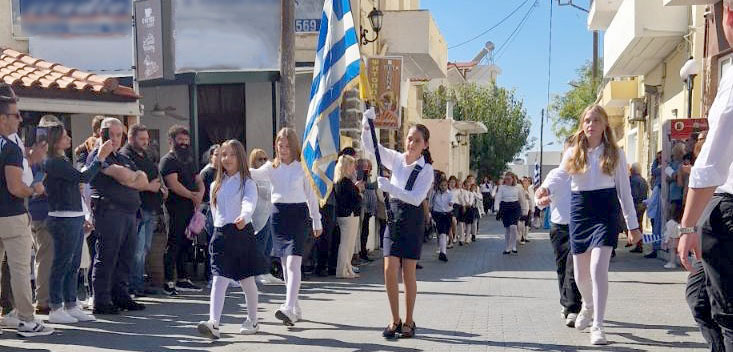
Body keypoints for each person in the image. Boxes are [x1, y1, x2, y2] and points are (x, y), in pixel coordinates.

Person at [545, 104, 641, 345]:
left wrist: (633, 225)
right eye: (587, 120)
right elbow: (559, 176)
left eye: (596, 120)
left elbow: (625, 191)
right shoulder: (573, 152)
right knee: (580, 274)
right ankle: (587, 305)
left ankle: (598, 324)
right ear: (582, 124)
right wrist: (544, 190)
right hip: (580, 211)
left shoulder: (615, 154)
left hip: (605, 210)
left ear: (604, 124)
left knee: (599, 268)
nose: (591, 124)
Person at [678, 3, 733, 348]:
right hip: (717, 207)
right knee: (700, 298)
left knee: (727, 315)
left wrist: (687, 226)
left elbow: (711, 161)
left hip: (726, 209)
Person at [361, 108, 434, 339]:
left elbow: (415, 198)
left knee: (408, 272)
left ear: (425, 145)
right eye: (409, 138)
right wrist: (367, 123)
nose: (411, 143)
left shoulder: (427, 170)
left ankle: (409, 321)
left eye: (417, 140)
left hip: (412, 218)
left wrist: (390, 187)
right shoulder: (397, 159)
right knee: (389, 269)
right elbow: (372, 146)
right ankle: (394, 319)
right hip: (393, 217)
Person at [250, 128, 322, 326]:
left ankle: (288, 307)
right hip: (278, 216)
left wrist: (317, 219)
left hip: (298, 215)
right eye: (280, 146)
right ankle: (295, 306)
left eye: (287, 146)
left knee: (292, 264)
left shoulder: (302, 168)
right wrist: (234, 166)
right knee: (284, 266)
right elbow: (253, 174)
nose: (283, 149)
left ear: (294, 147)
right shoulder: (271, 167)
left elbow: (311, 195)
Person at [197, 140, 267, 339]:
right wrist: (216, 231)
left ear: (241, 158)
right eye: (223, 155)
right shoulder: (214, 185)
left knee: (246, 280)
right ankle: (214, 323)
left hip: (241, 232)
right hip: (221, 235)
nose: (226, 159)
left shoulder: (247, 182)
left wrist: (244, 217)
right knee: (219, 278)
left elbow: (249, 202)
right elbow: (215, 212)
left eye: (231, 154)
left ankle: (253, 320)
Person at [44, 124, 114, 323]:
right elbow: (83, 177)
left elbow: (75, 187)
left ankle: (71, 303)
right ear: (56, 140)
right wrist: (100, 157)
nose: (69, 139)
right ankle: (56, 307)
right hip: (61, 217)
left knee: (73, 263)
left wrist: (82, 215)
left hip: (72, 216)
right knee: (62, 263)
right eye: (65, 136)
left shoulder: (62, 160)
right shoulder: (54, 162)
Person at [0, 85, 54, 336]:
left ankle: (10, 314)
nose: (20, 119)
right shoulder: (9, 148)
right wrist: (34, 190)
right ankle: (25, 318)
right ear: (3, 118)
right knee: (21, 269)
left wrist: (30, 160)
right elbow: (14, 187)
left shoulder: (12, 147)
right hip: (11, 215)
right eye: (16, 115)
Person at [88, 117, 150, 315]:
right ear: (101, 134)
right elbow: (125, 176)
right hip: (109, 212)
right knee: (107, 256)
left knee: (125, 257)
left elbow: (143, 180)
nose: (115, 139)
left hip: (129, 214)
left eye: (118, 134)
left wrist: (130, 177)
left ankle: (120, 295)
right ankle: (102, 300)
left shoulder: (123, 157)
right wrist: (130, 177)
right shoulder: (98, 156)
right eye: (111, 134)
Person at [535, 136, 583, 328]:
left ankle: (573, 308)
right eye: (568, 150)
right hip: (558, 226)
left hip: (579, 227)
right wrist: (541, 200)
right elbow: (539, 196)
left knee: (574, 266)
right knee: (562, 267)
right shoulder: (556, 173)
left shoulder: (584, 175)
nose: (571, 154)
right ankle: (566, 303)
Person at [119, 124, 166, 297]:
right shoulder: (126, 156)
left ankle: (138, 281)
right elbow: (128, 182)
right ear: (131, 138)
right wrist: (149, 187)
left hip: (150, 207)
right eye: (142, 139)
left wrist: (161, 188)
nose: (146, 142)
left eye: (147, 139)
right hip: (137, 209)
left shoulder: (145, 154)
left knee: (144, 248)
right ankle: (133, 285)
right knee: (136, 250)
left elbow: (154, 174)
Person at [160, 125, 205, 295]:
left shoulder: (189, 160)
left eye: (187, 141)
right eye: (181, 140)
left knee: (187, 243)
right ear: (171, 141)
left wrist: (200, 193)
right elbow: (173, 184)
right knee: (174, 243)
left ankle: (183, 279)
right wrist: (193, 196)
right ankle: (168, 281)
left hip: (190, 208)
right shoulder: (167, 160)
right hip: (175, 208)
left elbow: (198, 179)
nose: (184, 144)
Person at [27, 114, 63, 315]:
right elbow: (35, 184)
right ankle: (43, 300)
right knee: (46, 256)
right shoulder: (39, 158)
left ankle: (47, 298)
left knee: (46, 256)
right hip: (42, 212)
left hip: (45, 212)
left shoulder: (41, 157)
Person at [248, 148, 281, 285]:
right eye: (259, 159)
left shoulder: (269, 175)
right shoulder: (252, 175)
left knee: (268, 245)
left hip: (269, 213)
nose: (263, 161)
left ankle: (266, 271)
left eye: (264, 158)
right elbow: (265, 194)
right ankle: (257, 273)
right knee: (259, 244)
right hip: (257, 214)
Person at [334, 155, 362, 279]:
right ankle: (342, 270)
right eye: (351, 166)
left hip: (347, 214)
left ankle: (347, 268)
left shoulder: (342, 181)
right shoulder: (345, 182)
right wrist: (358, 191)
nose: (353, 169)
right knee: (346, 244)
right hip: (348, 215)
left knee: (348, 244)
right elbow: (354, 198)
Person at [198, 144, 219, 287]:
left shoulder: (224, 172)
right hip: (208, 210)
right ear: (211, 156)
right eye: (217, 154)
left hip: (221, 210)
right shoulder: (206, 172)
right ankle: (210, 275)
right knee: (212, 242)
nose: (220, 157)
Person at [494, 172, 523, 254]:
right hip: (505, 207)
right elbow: (498, 198)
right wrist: (496, 208)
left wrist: (524, 210)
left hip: (515, 207)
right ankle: (507, 246)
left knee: (513, 227)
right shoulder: (502, 187)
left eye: (509, 179)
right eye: (506, 179)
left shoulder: (518, 187)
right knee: (507, 228)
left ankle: (513, 246)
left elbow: (521, 199)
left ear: (513, 179)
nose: (507, 181)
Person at [628, 163, 648, 254]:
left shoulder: (633, 180)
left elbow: (634, 194)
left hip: (636, 204)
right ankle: (639, 244)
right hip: (643, 203)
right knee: (639, 224)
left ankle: (635, 241)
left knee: (633, 224)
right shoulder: (643, 180)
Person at [359, 159, 377, 262]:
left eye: (369, 167)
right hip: (364, 208)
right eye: (367, 167)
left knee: (366, 231)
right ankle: (362, 252)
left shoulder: (368, 177)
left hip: (369, 209)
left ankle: (364, 251)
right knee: (363, 232)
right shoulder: (361, 176)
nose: (369, 169)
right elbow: (369, 187)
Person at [431, 178, 453, 262]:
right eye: (442, 185)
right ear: (439, 186)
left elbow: (452, 200)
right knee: (442, 233)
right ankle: (443, 253)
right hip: (438, 215)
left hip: (447, 215)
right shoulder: (435, 194)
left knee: (445, 233)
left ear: (447, 185)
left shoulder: (450, 193)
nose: (443, 187)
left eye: (445, 185)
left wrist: (451, 203)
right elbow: (431, 203)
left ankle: (441, 249)